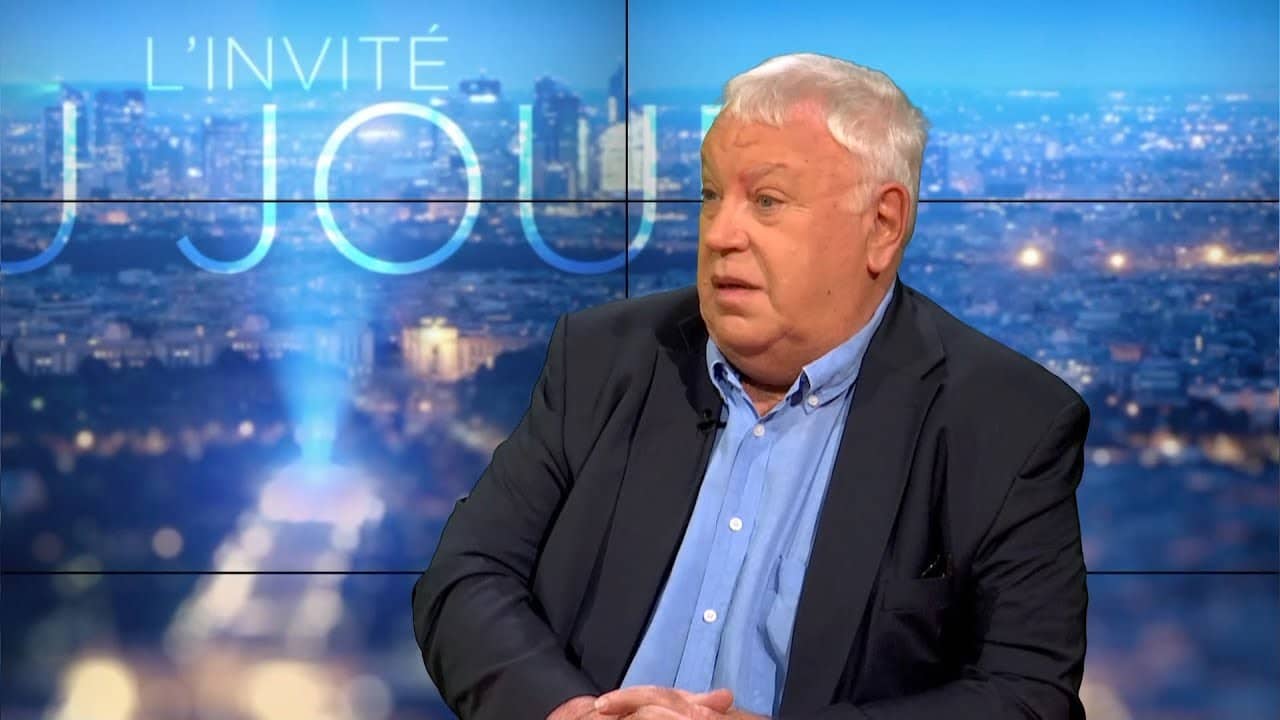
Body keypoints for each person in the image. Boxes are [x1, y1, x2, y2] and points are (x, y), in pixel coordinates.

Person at [412, 52, 1090, 720]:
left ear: (883, 226)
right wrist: (571, 715)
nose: (721, 234)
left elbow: (1027, 694)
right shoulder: (603, 359)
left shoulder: (1007, 423)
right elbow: (468, 575)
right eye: (712, 196)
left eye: (766, 201)